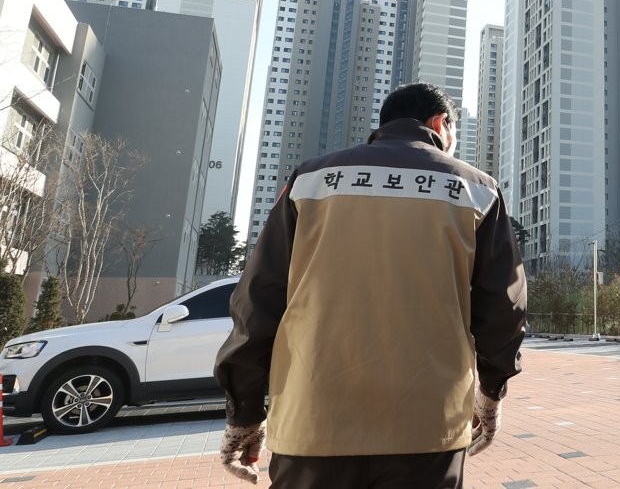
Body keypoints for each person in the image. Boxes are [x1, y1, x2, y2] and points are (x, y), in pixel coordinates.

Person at [214, 82, 527, 488]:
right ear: (440, 124)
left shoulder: (312, 178)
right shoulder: (477, 189)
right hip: (429, 424)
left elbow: (258, 299)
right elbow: (504, 307)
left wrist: (244, 412)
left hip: (312, 420)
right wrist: (492, 391)